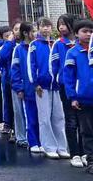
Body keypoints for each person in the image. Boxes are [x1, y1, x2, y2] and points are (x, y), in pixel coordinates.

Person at [28, 17, 68, 159]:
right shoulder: (34, 44)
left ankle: (62, 147)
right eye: (43, 26)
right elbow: (31, 65)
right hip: (42, 86)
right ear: (38, 28)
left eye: (48, 26)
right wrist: (35, 83)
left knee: (59, 117)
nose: (46, 29)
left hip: (56, 86)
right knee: (44, 118)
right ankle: (49, 146)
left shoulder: (56, 44)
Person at [52, 14, 84, 168]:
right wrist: (59, 80)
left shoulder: (83, 44)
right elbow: (54, 64)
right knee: (71, 121)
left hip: (83, 88)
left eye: (64, 24)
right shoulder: (59, 44)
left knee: (84, 122)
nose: (61, 27)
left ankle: (84, 152)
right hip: (66, 87)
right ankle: (75, 153)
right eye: (59, 24)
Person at [64, 19, 93, 174]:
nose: (88, 34)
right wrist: (72, 97)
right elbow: (68, 77)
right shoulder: (72, 53)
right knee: (87, 132)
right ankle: (91, 161)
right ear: (76, 34)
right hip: (83, 99)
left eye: (91, 31)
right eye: (84, 31)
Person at [11, 22, 41, 153]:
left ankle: (43, 141)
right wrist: (19, 88)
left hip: (41, 88)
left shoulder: (39, 46)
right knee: (31, 116)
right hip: (27, 89)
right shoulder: (18, 49)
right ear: (25, 33)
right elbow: (15, 70)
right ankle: (33, 141)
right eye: (33, 31)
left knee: (43, 117)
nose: (36, 33)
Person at [0, 21, 24, 145]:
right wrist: (9, 42)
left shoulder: (28, 45)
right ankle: (13, 129)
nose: (19, 31)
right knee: (12, 106)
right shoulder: (8, 45)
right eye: (16, 29)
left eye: (21, 29)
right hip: (10, 80)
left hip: (27, 81)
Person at [0, 26, 15, 137]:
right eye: (6, 36)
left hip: (20, 79)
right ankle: (8, 123)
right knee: (7, 102)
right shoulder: (4, 46)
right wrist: (9, 43)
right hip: (7, 78)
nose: (9, 37)